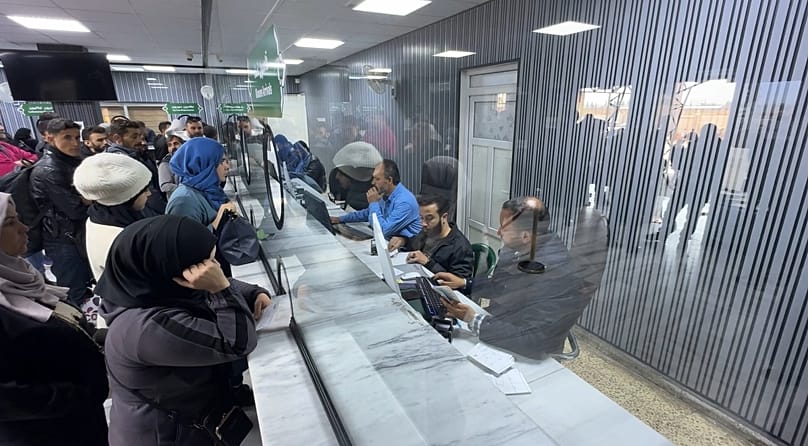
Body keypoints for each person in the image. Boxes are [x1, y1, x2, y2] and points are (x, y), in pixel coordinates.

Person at [98, 215, 270, 446]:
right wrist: (222, 290)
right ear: (178, 272)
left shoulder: (144, 287)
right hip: (166, 436)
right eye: (206, 264)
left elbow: (203, 288)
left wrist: (253, 292)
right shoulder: (145, 328)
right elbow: (237, 342)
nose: (214, 268)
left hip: (189, 418)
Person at [0, 193, 109, 446]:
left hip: (79, 423)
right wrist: (75, 396)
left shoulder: (22, 276)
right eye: (10, 223)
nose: (24, 228)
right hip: (45, 433)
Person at [435, 197, 588, 359]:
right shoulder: (519, 247)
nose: (498, 232)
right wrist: (464, 282)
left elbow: (534, 340)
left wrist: (473, 319)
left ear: (525, 236)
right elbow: (502, 285)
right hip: (503, 326)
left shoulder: (554, 272)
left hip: (529, 350)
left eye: (504, 228)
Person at [30, 119, 94, 307]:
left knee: (86, 285)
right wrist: (91, 197)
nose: (75, 143)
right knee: (74, 290)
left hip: (77, 235)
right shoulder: (49, 170)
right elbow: (75, 209)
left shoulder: (72, 162)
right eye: (67, 138)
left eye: (76, 137)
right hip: (62, 239)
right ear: (49, 138)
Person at [73, 153, 153, 281]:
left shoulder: (97, 217)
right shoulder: (126, 239)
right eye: (144, 190)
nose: (149, 193)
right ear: (127, 197)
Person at [166, 138, 236, 275]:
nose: (227, 167)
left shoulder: (209, 190)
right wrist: (219, 220)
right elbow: (186, 250)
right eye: (221, 162)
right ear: (204, 164)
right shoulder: (183, 200)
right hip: (204, 276)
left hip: (217, 265)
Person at [330, 159, 421, 251]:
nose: (372, 182)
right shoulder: (386, 194)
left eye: (377, 179)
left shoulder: (404, 202)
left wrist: (373, 203)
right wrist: (341, 219)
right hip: (386, 243)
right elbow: (367, 213)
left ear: (389, 180)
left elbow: (382, 231)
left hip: (405, 251)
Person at [406, 194, 473, 285]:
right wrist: (402, 239)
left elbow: (457, 283)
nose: (423, 224)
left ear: (444, 217)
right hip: (421, 278)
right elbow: (412, 244)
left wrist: (427, 263)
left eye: (429, 218)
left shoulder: (459, 246)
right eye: (421, 218)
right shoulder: (427, 231)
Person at [106, 117, 166, 216]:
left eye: (140, 136)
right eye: (134, 137)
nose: (140, 141)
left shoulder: (137, 155)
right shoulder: (121, 162)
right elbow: (145, 191)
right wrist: (163, 210)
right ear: (117, 138)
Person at [328, 141, 383, 210]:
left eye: (341, 174)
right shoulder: (361, 195)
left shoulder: (357, 202)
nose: (337, 177)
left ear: (353, 176)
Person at [158, 128, 186, 197]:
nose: (173, 147)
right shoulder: (165, 163)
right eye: (169, 145)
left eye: (176, 144)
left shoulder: (188, 159)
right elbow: (165, 186)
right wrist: (186, 190)